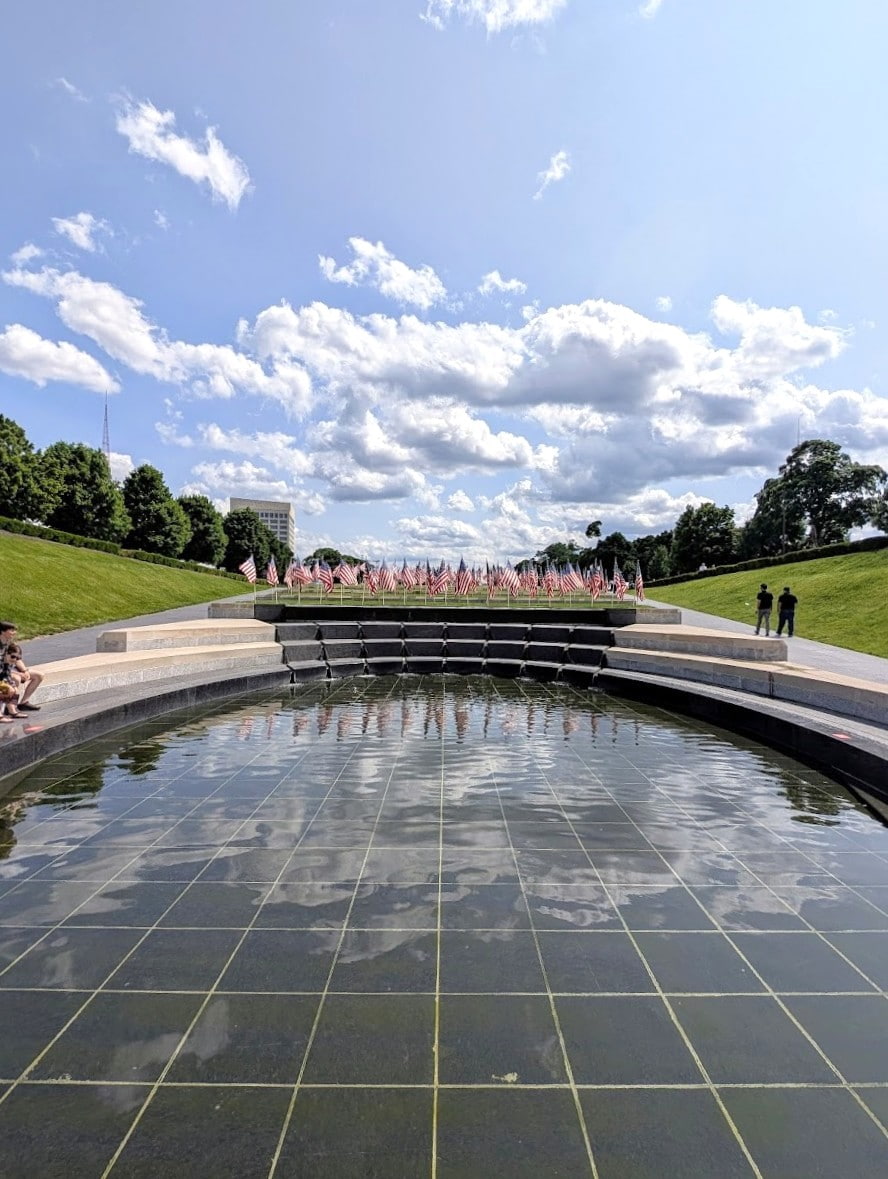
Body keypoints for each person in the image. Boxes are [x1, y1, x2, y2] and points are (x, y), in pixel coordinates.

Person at [0, 622, 42, 710]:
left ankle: (24, 702)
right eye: (11, 630)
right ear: (3, 632)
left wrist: (24, 671)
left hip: (10, 669)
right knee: (16, 679)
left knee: (38, 676)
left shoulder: (8, 642)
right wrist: (18, 674)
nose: (14, 632)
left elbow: (17, 658)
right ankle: (10, 706)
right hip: (4, 673)